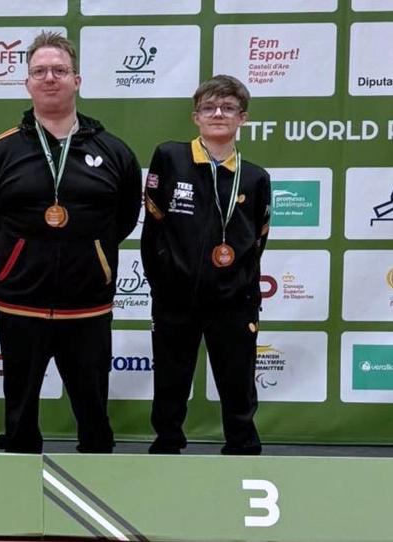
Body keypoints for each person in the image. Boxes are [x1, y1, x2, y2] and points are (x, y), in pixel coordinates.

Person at [0, 31, 142, 454]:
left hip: (88, 305)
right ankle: (18, 479)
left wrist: (93, 256)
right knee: (19, 419)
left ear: (76, 80)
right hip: (20, 303)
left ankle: (97, 480)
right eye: (40, 71)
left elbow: (123, 219)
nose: (50, 78)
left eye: (60, 71)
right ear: (27, 82)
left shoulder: (114, 152)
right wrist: (20, 257)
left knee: (94, 419)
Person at [141, 74, 271, 455]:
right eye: (209, 107)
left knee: (238, 383)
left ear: (243, 118)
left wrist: (238, 284)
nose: (218, 114)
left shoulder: (255, 177)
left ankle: (242, 447)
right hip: (175, 298)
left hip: (233, 301)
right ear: (195, 117)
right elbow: (152, 230)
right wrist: (164, 282)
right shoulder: (170, 157)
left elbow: (257, 241)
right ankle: (167, 444)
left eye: (228, 108)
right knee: (170, 380)